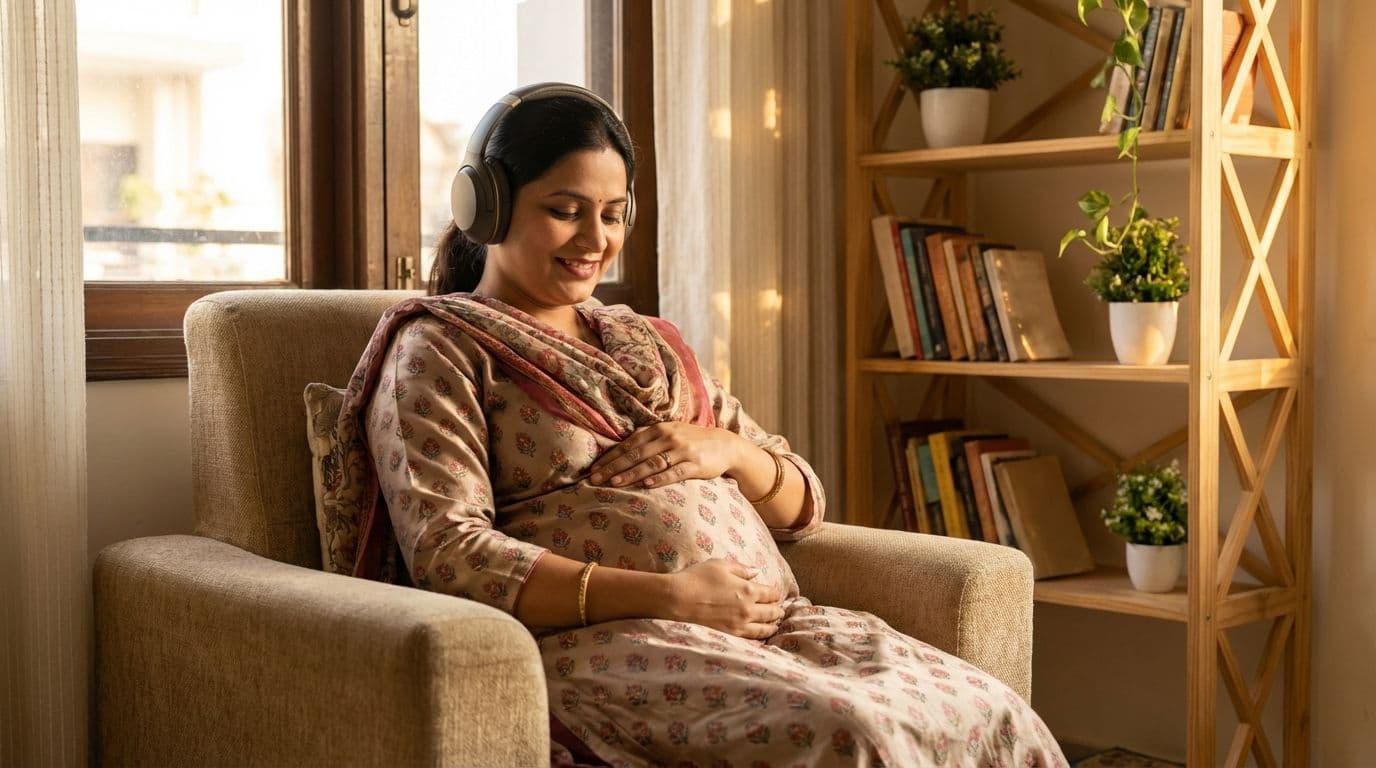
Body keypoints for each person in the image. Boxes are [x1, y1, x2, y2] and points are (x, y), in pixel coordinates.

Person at [340, 83, 1067, 767]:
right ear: (488, 207)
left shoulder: (646, 343)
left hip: (772, 628)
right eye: (566, 209)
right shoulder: (440, 349)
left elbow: (803, 501)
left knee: (994, 712)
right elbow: (452, 555)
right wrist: (674, 596)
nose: (596, 238)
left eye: (615, 213)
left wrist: (731, 452)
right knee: (855, 736)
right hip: (604, 641)